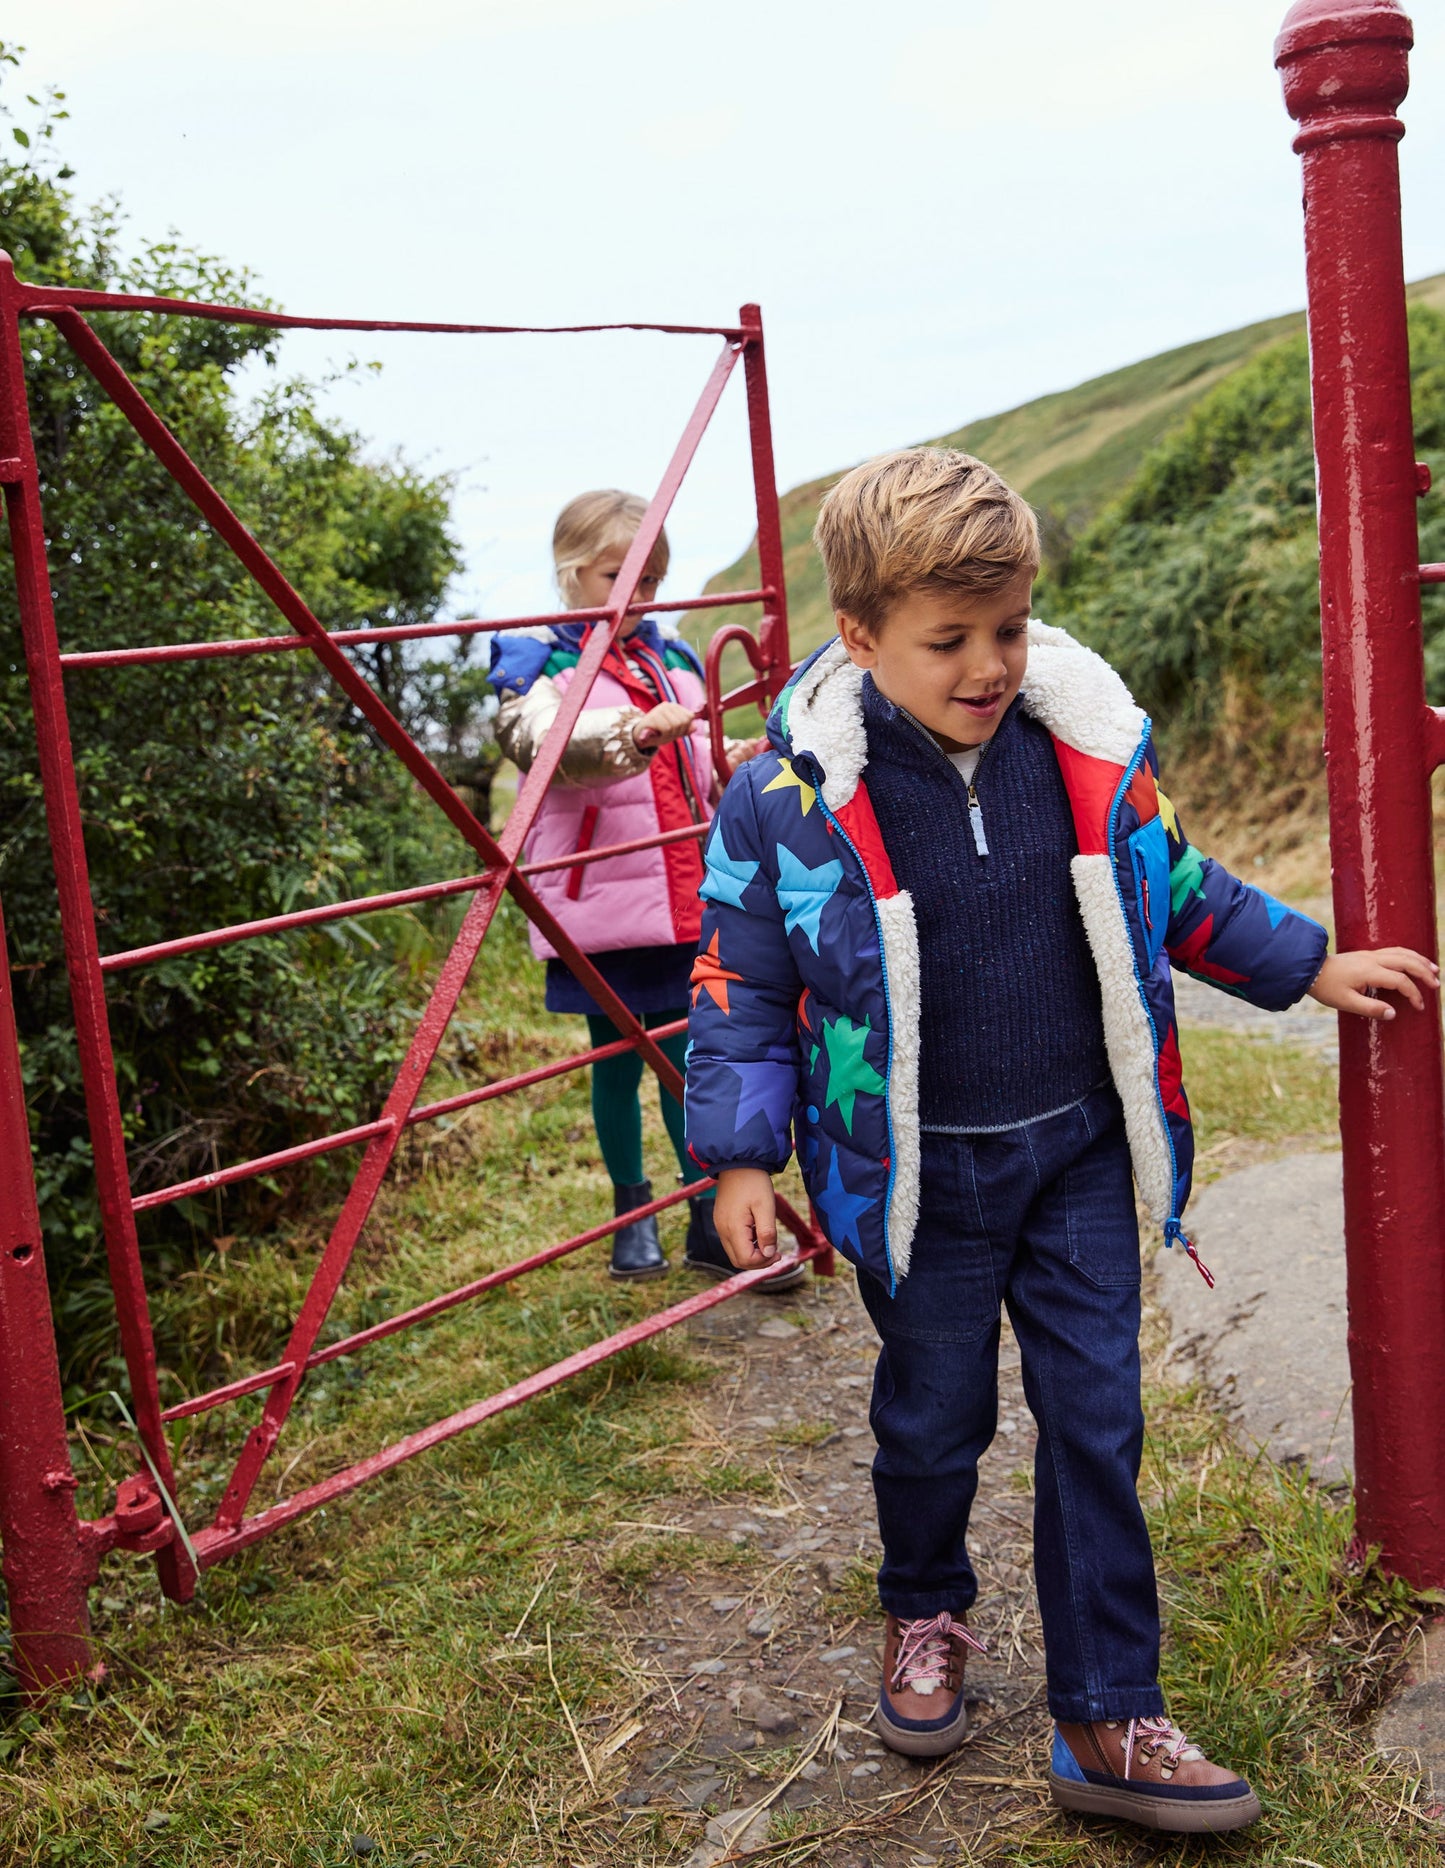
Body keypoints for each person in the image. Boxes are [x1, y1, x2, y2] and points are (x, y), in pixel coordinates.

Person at [683, 447, 1437, 1834]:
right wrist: (740, 1153)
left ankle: (1108, 1714)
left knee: (1099, 1420)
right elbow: (740, 979)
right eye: (949, 641)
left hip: (1081, 1154)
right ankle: (924, 1608)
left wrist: (1308, 963)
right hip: (921, 1179)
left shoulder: (1080, 752)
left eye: (1010, 630)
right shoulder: (785, 798)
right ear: (858, 639)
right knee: (934, 1419)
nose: (988, 666)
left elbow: (1177, 888)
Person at [490, 489, 803, 1289]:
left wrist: (723, 751)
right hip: (600, 908)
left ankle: (706, 1214)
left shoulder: (669, 658)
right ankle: (632, 1216)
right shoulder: (540, 667)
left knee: (688, 1058)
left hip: (682, 896)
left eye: (652, 581)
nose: (636, 598)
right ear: (569, 572)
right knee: (615, 1061)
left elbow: (693, 757)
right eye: (613, 576)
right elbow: (546, 748)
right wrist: (630, 733)